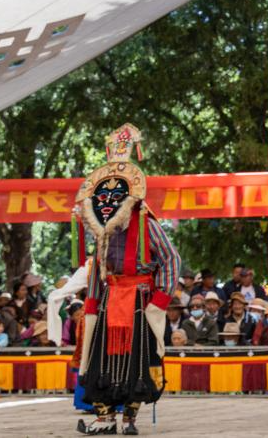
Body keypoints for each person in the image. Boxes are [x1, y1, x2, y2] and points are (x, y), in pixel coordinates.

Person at [75, 124, 182, 436]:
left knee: (138, 360)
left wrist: (159, 300)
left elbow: (172, 259)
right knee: (101, 358)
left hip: (139, 299)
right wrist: (92, 303)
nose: (107, 202)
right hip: (109, 301)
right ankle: (105, 418)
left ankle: (129, 418)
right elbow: (97, 269)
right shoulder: (102, 231)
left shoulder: (146, 223)